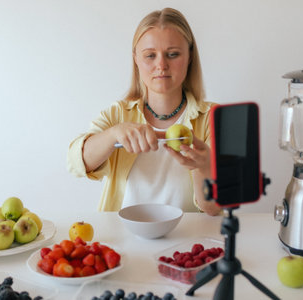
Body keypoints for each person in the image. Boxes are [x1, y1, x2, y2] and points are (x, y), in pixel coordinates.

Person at [67, 8, 221, 216]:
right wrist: (114, 134)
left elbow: (213, 208)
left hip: (187, 242)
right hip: (123, 240)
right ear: (136, 59)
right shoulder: (116, 115)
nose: (161, 65)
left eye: (173, 54)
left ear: (190, 56)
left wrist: (204, 168)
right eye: (150, 55)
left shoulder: (215, 118)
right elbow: (78, 163)